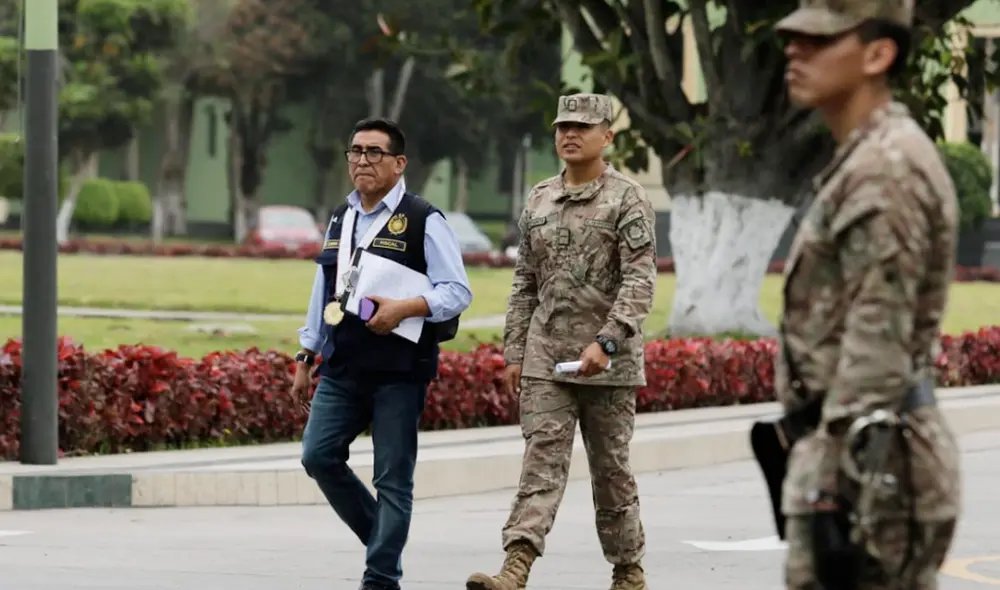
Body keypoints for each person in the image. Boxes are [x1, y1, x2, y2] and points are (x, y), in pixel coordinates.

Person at [772, 1, 961, 588]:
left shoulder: (886, 169)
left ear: (879, 54)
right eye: (794, 38)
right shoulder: (863, 158)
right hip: (857, 457)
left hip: (870, 466)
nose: (794, 51)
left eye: (820, 41)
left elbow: (878, 343)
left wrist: (835, 485)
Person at [465, 93, 657, 590]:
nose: (569, 135)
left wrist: (607, 342)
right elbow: (525, 281)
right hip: (547, 359)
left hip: (608, 365)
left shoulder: (628, 197)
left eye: (582, 127)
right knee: (540, 463)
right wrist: (514, 351)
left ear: (607, 137)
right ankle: (516, 567)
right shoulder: (539, 198)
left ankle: (628, 571)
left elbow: (639, 282)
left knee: (611, 473)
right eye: (562, 127)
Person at [293, 117, 473, 590]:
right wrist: (306, 353)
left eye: (374, 152)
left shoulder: (423, 218)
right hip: (343, 363)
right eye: (355, 151)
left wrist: (408, 307)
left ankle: (380, 576)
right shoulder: (341, 216)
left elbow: (457, 292)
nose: (362, 161)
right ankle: (384, 540)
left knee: (392, 479)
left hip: (400, 370)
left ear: (399, 163)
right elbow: (324, 287)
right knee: (317, 455)